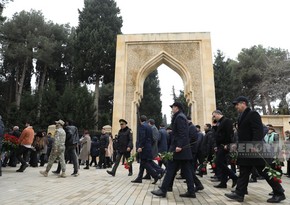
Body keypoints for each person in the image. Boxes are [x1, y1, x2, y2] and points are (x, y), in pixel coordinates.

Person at [225, 96, 286, 203]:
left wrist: (255, 145)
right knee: (244, 171)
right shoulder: (241, 116)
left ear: (243, 103)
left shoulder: (253, 114)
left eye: (237, 104)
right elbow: (242, 134)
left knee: (264, 172)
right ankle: (239, 193)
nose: (236, 107)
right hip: (245, 149)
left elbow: (257, 130)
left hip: (254, 150)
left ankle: (279, 193)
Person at [151, 102, 195, 198]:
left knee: (171, 168)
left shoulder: (179, 117)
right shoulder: (181, 116)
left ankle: (163, 190)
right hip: (182, 149)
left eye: (173, 107)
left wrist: (179, 145)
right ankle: (191, 191)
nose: (172, 109)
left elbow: (182, 133)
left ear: (177, 108)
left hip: (179, 149)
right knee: (186, 170)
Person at [131, 115, 165, 184]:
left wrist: (141, 146)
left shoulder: (143, 126)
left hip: (144, 148)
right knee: (147, 162)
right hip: (148, 147)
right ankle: (140, 178)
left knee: (145, 163)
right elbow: (152, 139)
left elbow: (143, 138)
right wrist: (149, 145)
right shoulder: (149, 127)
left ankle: (155, 175)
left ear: (140, 120)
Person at [212, 110, 238, 188]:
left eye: (214, 116)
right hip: (220, 145)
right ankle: (223, 183)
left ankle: (234, 177)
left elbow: (229, 133)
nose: (213, 117)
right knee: (222, 163)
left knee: (218, 162)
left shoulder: (227, 121)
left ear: (218, 114)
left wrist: (228, 144)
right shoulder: (219, 122)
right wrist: (214, 126)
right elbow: (217, 134)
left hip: (225, 145)